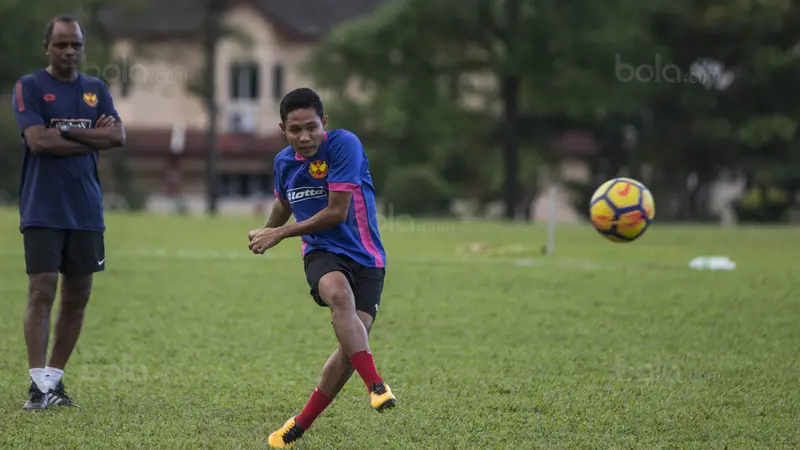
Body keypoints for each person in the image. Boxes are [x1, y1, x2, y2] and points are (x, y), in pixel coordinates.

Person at [248, 88, 396, 448]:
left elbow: (336, 212)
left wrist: (279, 233)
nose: (305, 136)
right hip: (321, 252)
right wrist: (269, 229)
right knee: (338, 296)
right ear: (283, 128)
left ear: (323, 123)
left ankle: (299, 424)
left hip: (367, 258)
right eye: (295, 129)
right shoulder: (284, 162)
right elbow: (284, 203)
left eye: (311, 127)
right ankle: (377, 385)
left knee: (350, 347)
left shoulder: (344, 145)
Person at [11, 14, 125, 410]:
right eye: (61, 44)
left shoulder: (95, 88)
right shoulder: (29, 87)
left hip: (86, 210)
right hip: (42, 207)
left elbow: (118, 136)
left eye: (75, 44)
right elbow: (38, 142)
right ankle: (36, 385)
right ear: (47, 47)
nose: (69, 51)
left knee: (78, 296)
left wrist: (64, 132)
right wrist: (92, 136)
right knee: (42, 290)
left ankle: (54, 383)